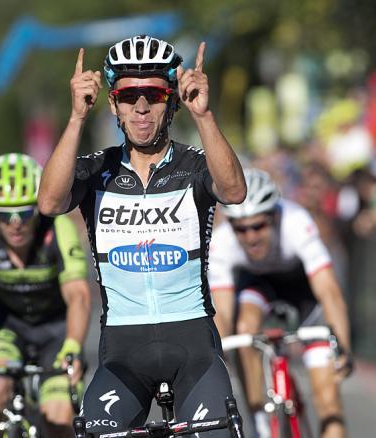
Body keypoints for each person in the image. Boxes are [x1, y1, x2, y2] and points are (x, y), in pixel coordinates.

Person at [37, 35, 246, 436]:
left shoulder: (194, 164)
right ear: (113, 103)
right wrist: (77, 118)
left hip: (193, 343)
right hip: (122, 350)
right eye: (129, 96)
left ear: (172, 100)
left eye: (154, 94)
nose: (142, 108)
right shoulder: (98, 168)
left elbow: (234, 191)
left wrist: (203, 116)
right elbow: (48, 203)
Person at [0, 153, 91, 438]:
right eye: (4, 215)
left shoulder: (59, 230)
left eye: (24, 213)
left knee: (58, 418)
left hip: (57, 329)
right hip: (9, 325)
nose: (15, 223)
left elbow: (79, 296)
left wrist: (73, 345)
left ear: (37, 209)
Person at [209, 168, 353, 438]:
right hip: (258, 289)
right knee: (243, 326)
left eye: (258, 225)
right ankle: (260, 422)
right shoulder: (222, 241)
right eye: (241, 229)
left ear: (274, 217)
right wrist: (217, 357)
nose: (250, 236)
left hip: (305, 295)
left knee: (329, 404)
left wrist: (342, 346)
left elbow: (329, 291)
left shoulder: (297, 222)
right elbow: (223, 312)